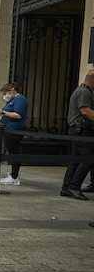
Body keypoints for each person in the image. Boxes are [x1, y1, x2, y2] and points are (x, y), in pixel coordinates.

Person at [60, 69, 94, 200]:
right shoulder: (84, 92)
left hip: (78, 130)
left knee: (76, 160)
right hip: (82, 131)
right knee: (89, 158)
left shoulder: (82, 90)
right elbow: (85, 111)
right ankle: (73, 187)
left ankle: (66, 187)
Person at [0, 82, 27, 185]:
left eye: (5, 93)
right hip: (9, 128)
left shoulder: (20, 99)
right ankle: (13, 174)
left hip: (15, 129)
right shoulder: (14, 100)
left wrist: (2, 112)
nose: (4, 96)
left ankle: (14, 176)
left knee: (14, 152)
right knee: (11, 151)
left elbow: (18, 115)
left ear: (11, 90)